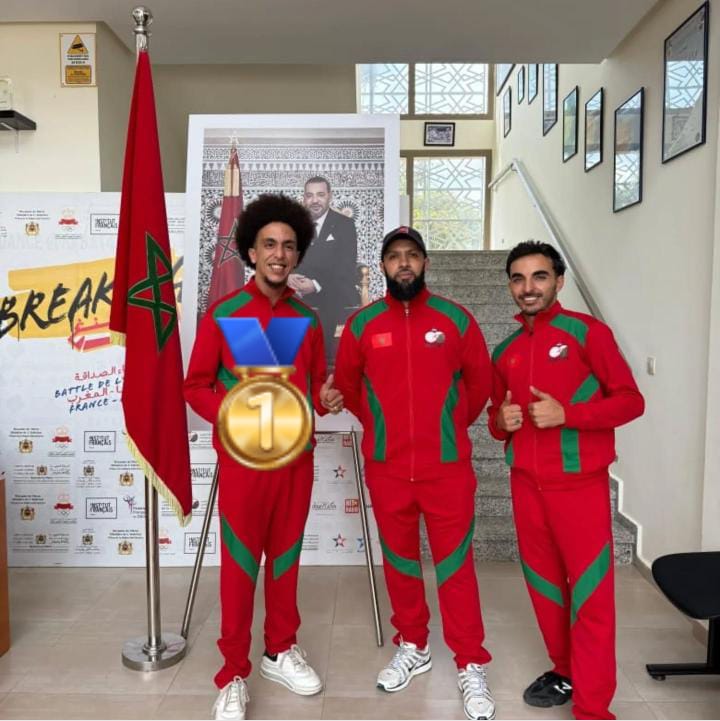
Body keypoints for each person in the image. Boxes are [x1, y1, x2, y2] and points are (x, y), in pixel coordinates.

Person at [184, 193, 343, 721]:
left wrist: (328, 398)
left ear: (298, 254)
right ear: (251, 252)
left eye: (289, 246)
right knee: (239, 568)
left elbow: (315, 389)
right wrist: (234, 414)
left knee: (287, 560)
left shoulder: (308, 319)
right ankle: (233, 672)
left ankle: (280, 650)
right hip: (244, 465)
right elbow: (195, 386)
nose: (279, 254)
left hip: (296, 462)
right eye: (269, 244)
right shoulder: (226, 313)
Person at [334, 226, 496, 721]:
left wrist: (447, 429)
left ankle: (470, 662)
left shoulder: (455, 319)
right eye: (394, 256)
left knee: (455, 568)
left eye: (412, 255)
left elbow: (480, 384)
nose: (403, 263)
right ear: (383, 266)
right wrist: (382, 429)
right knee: (400, 564)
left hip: (446, 471)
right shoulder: (363, 324)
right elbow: (349, 387)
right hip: (387, 469)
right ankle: (414, 644)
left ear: (424, 263)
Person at [487, 241, 645, 720]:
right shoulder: (506, 351)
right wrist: (502, 422)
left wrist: (568, 414)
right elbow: (496, 419)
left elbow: (631, 401)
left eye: (538, 277)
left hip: (579, 486)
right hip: (525, 486)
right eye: (518, 278)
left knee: (590, 595)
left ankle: (593, 708)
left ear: (558, 281)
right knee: (545, 588)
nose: (528, 288)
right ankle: (565, 669)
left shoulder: (588, 333)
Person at [289, 176, 360, 362]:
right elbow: (284, 257)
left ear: (330, 196)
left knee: (328, 304)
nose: (315, 200)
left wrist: (315, 285)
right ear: (304, 198)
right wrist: (288, 276)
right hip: (297, 290)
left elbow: (346, 267)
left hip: (332, 289)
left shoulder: (345, 225)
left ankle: (324, 362)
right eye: (310, 195)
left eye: (320, 195)